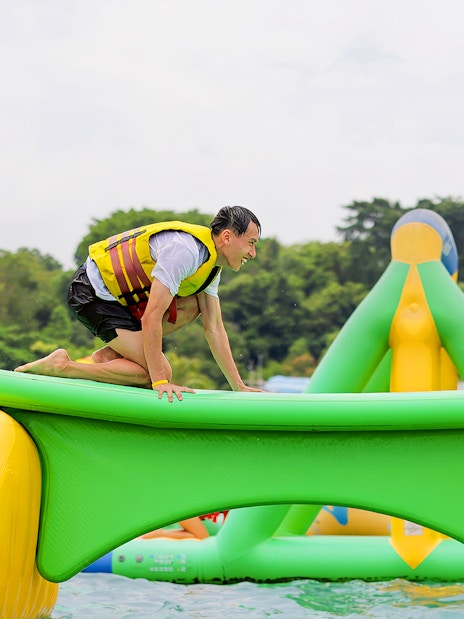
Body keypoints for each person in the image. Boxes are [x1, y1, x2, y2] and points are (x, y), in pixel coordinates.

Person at [15, 206, 262, 402]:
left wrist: (238, 386)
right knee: (155, 373)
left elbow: (215, 328)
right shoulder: (184, 252)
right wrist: (159, 382)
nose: (253, 254)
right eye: (251, 244)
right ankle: (63, 366)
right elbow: (151, 317)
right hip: (93, 292)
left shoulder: (211, 268)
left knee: (194, 306)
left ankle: (114, 353)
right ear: (227, 237)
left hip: (121, 300)